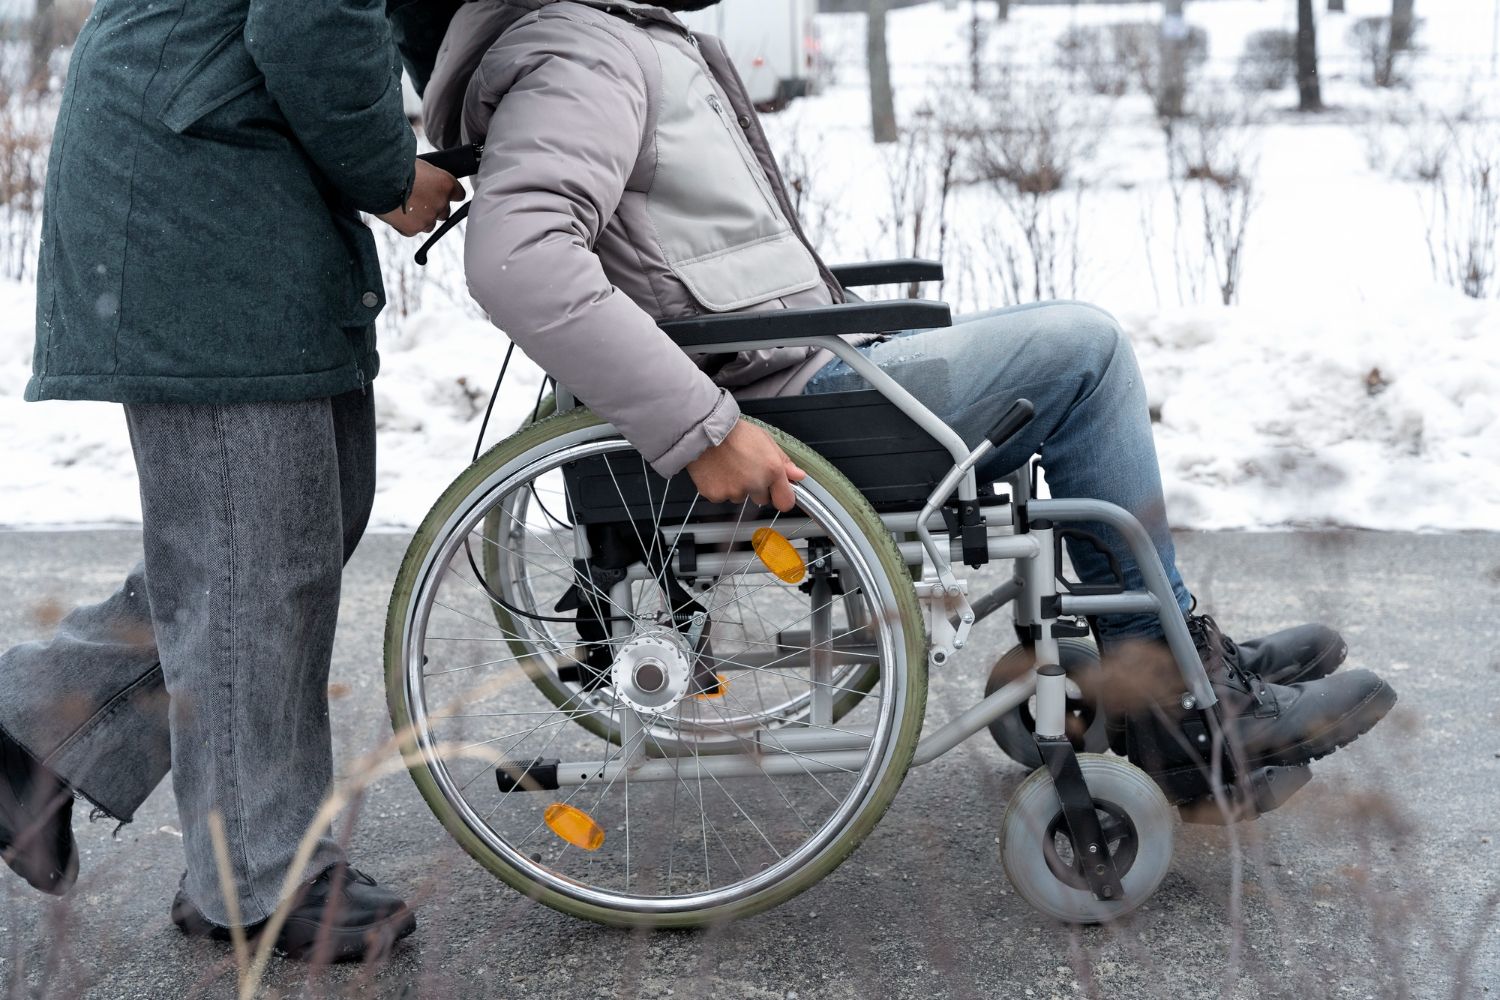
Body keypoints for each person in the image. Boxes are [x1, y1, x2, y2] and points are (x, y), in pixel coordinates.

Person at [419, 0, 1396, 796]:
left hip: (791, 368)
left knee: (1064, 351)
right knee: (1086, 353)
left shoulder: (606, 38)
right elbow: (520, 261)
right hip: (779, 400)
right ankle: (1179, 695)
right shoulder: (579, 52)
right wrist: (704, 430)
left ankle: (1169, 652)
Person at [0, 0, 467, 963]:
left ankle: (31, 730)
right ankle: (257, 872)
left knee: (287, 528)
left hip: (237, 171)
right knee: (252, 554)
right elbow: (310, 20)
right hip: (198, 182)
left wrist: (481, 102)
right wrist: (389, 172)